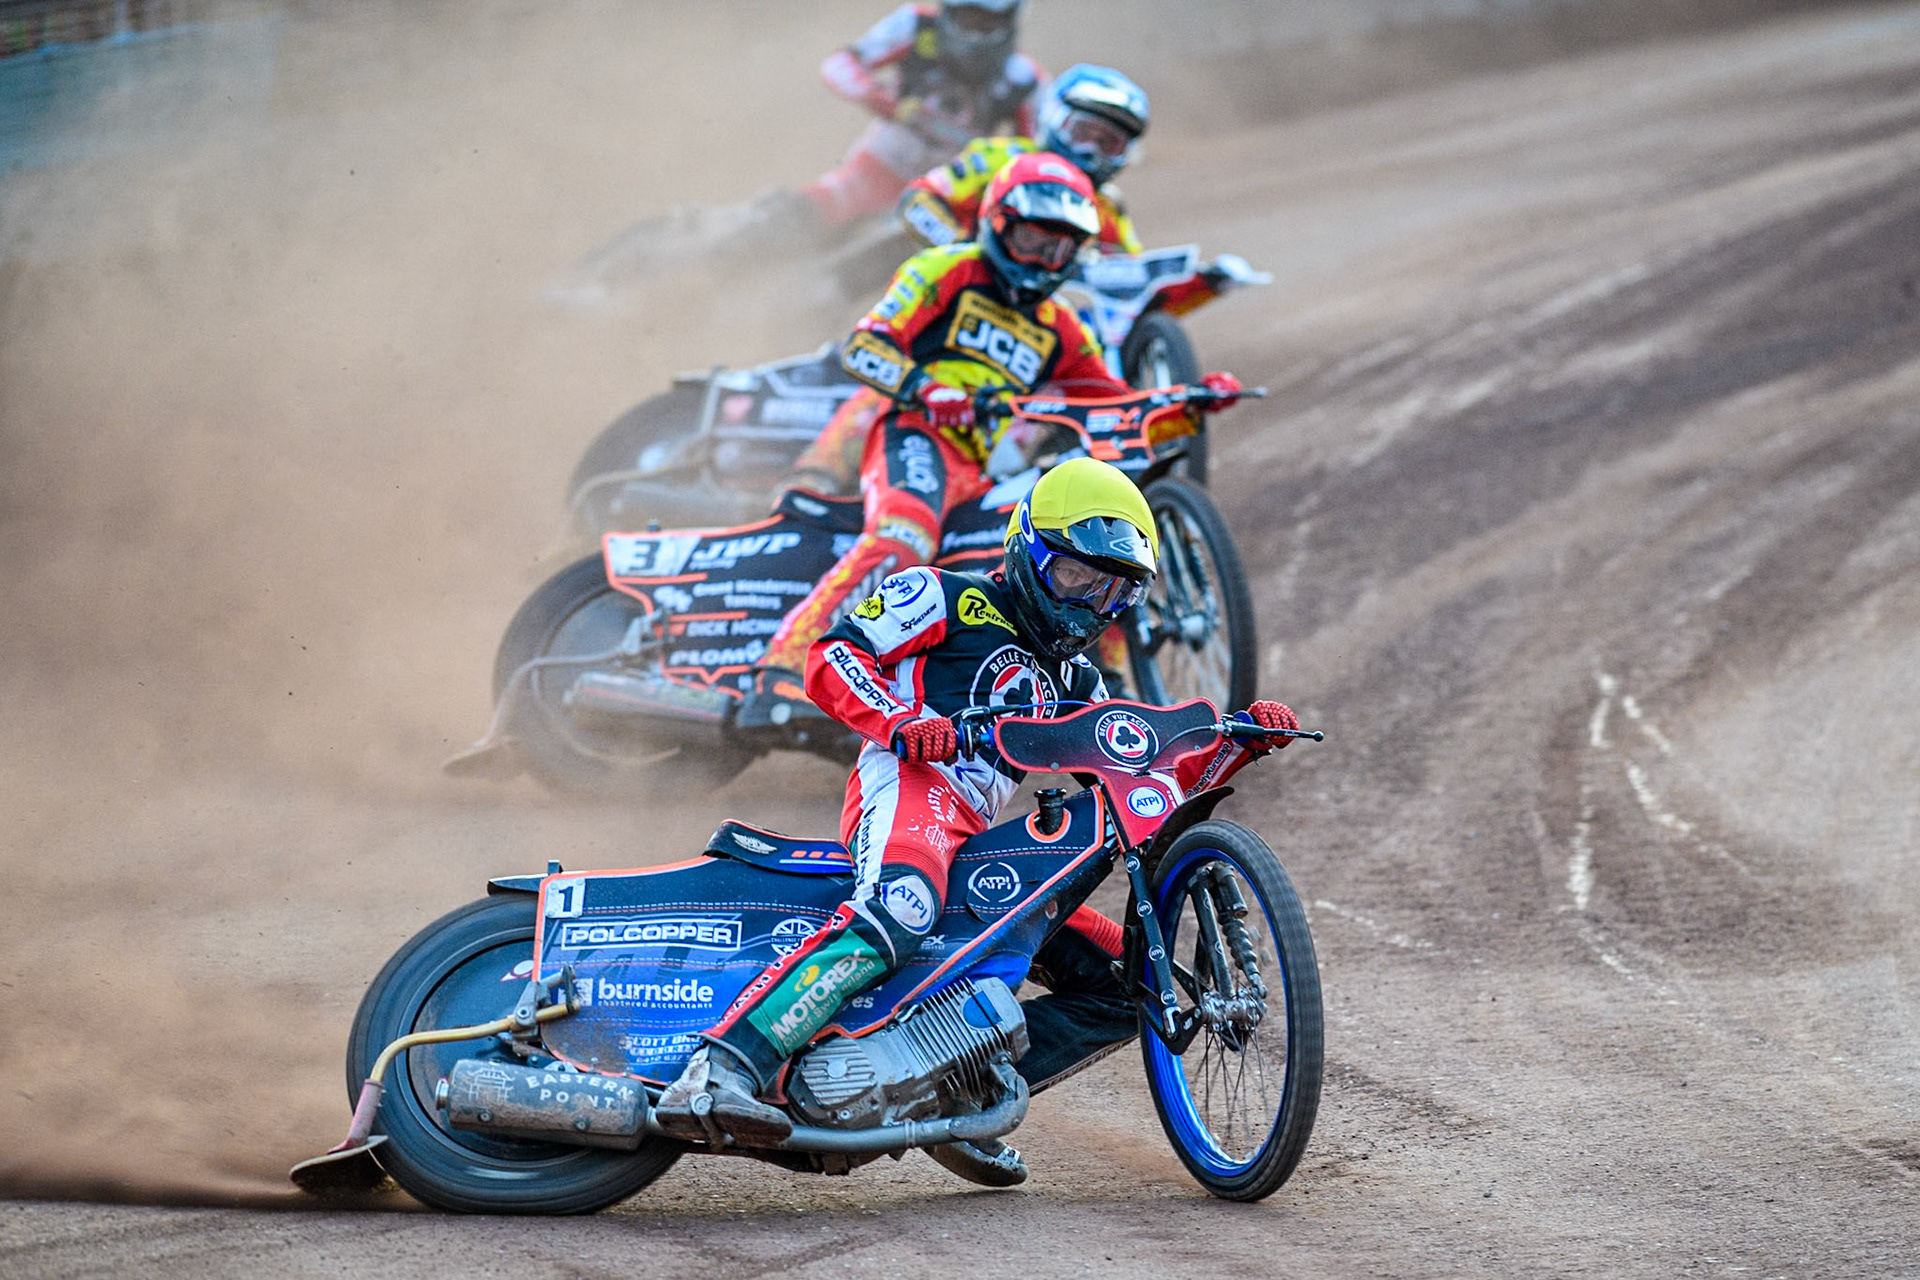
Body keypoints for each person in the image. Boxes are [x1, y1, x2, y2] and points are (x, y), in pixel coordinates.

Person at [654, 456, 1302, 1185]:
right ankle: (720, 1066)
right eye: (1077, 578)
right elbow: (831, 657)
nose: (1090, 605)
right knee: (899, 908)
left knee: (1131, 984)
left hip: (978, 832)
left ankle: (957, 1090)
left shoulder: (1077, 681)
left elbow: (1140, 762)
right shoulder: (940, 593)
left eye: (1113, 591)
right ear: (1028, 550)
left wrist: (1233, 742)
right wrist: (902, 723)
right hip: (910, 784)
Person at [741, 152, 1245, 731]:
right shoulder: (946, 269)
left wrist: (1186, 404)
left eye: (1059, 248)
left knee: (1060, 561)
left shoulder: (1060, 324)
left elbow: (1108, 402)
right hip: (916, 433)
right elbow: (865, 345)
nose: (1042, 259)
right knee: (903, 534)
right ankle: (781, 671)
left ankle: (1102, 701)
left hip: (985, 466)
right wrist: (927, 389)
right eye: (1032, 239)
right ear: (997, 222)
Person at [784, 64, 1151, 494]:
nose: (1091, 151)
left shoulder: (1106, 208)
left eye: (1109, 144)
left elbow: (1135, 274)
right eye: (1083, 132)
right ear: (1054, 119)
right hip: (941, 292)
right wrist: (969, 251)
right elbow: (920, 200)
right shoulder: (1001, 156)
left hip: (1030, 314)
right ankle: (811, 479)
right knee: (897, 369)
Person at [801, 0, 1044, 227]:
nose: (975, 32)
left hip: (949, 195)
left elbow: (1038, 158)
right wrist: (888, 104)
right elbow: (838, 66)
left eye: (987, 22)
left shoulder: (1025, 80)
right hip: (882, 164)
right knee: (799, 212)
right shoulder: (917, 26)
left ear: (1010, 20)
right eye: (968, 19)